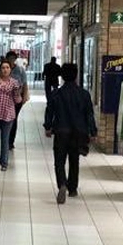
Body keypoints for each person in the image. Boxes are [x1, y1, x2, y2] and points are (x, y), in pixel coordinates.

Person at [44, 63, 97, 204]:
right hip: (78, 132)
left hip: (61, 131)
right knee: (74, 160)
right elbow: (89, 115)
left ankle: (62, 183)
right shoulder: (84, 94)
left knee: (59, 161)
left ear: (62, 76)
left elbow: (49, 111)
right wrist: (93, 132)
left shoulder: (56, 93)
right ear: (76, 75)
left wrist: (48, 127)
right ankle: (72, 189)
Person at [5, 51, 30, 150]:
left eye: (13, 58)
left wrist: (24, 97)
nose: (11, 60)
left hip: (17, 98)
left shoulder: (20, 70)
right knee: (5, 119)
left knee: (13, 119)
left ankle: (10, 141)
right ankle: (5, 139)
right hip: (4, 98)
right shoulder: (2, 69)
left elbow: (25, 84)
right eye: (9, 58)